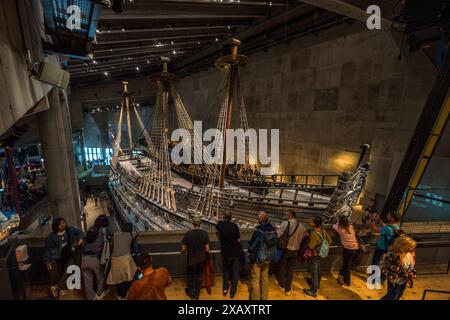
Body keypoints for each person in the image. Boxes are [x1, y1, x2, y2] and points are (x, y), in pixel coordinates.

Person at [43, 217, 84, 299]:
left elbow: (80, 232)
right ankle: (61, 287)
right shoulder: (50, 237)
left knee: (71, 269)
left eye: (64, 222)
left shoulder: (70, 230)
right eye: (60, 223)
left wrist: (81, 239)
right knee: (56, 274)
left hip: (69, 256)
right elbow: (47, 250)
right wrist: (47, 262)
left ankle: (57, 287)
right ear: (56, 226)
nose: (63, 224)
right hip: (57, 258)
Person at [275, 210, 306, 295]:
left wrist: (277, 228)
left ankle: (282, 285)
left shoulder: (285, 223)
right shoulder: (302, 226)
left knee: (282, 267)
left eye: (286, 215)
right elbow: (303, 238)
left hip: (286, 249)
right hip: (296, 250)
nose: (285, 216)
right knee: (290, 270)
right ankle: (288, 289)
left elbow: (278, 235)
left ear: (289, 215)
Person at [247, 211, 277, 300]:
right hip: (268, 257)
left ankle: (255, 298)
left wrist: (249, 251)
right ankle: (264, 297)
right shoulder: (273, 229)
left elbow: (252, 246)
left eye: (258, 218)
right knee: (265, 277)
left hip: (258, 258)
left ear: (260, 220)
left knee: (256, 279)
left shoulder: (258, 231)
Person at [81, 214, 111, 300]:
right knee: (100, 278)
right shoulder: (105, 230)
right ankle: (99, 294)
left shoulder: (91, 228)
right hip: (95, 259)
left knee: (87, 281)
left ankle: (91, 297)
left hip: (84, 258)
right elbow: (112, 236)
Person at [181, 213, 210, 300]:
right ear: (200, 223)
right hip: (201, 259)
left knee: (191, 275)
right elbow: (207, 249)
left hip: (191, 259)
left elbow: (183, 248)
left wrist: (182, 251)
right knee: (199, 276)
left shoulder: (188, 234)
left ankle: (190, 293)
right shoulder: (205, 234)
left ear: (193, 223)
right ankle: (197, 294)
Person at [106, 223, 138, 299]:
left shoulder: (115, 234)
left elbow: (109, 234)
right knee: (126, 278)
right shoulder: (130, 236)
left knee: (117, 279)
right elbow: (137, 233)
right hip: (125, 260)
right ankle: (124, 295)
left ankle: (119, 295)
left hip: (115, 260)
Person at [380, 236, 416, 300]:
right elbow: (384, 267)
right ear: (402, 246)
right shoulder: (391, 254)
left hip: (404, 279)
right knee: (392, 296)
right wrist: (400, 270)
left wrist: (412, 272)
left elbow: (409, 265)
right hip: (394, 279)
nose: (412, 248)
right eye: (410, 246)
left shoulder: (409, 253)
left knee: (399, 294)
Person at [303, 216, 332, 298]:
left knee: (314, 273)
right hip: (320, 254)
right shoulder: (323, 231)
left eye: (311, 221)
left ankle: (313, 292)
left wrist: (309, 241)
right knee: (318, 270)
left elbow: (311, 247)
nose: (309, 221)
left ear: (314, 224)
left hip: (314, 255)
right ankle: (317, 285)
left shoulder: (313, 234)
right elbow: (330, 241)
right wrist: (322, 248)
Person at [216, 211, 241, 299]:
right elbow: (238, 240)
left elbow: (217, 227)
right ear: (231, 217)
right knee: (235, 272)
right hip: (235, 252)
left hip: (226, 252)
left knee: (226, 270)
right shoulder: (234, 226)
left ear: (224, 216)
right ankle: (232, 292)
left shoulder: (220, 225)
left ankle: (225, 289)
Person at [371, 212, 401, 278]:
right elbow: (386, 226)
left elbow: (375, 229)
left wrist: (373, 220)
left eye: (389, 216)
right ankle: (382, 279)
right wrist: (379, 219)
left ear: (392, 218)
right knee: (384, 263)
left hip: (381, 248)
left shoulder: (388, 229)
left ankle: (374, 279)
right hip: (387, 248)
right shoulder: (396, 226)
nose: (387, 216)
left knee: (376, 262)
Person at [333, 216, 360, 286]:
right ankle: (341, 275)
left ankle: (347, 281)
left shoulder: (339, 229)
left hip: (348, 250)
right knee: (347, 265)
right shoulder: (350, 227)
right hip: (356, 249)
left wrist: (337, 220)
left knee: (347, 266)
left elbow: (333, 225)